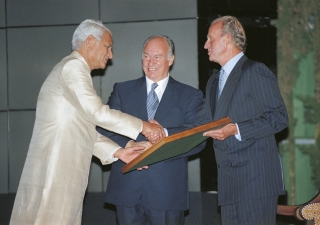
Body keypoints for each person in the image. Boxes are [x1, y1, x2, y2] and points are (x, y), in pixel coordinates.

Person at [9, 19, 165, 225]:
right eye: (108, 47)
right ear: (90, 41)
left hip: (59, 176)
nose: (111, 55)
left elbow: (81, 128)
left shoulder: (71, 70)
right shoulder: (73, 67)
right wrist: (145, 126)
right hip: (55, 176)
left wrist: (119, 151)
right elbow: (97, 113)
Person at [97, 35, 205, 225]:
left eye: (157, 56)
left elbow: (197, 138)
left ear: (170, 59)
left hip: (167, 193)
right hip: (126, 189)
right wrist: (128, 144)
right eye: (146, 56)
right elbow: (103, 127)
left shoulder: (190, 96)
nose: (151, 62)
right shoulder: (123, 90)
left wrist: (164, 133)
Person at [200, 16, 289, 225]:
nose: (206, 45)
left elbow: (279, 117)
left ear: (228, 40)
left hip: (256, 182)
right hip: (228, 184)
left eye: (210, 39)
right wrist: (165, 132)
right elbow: (201, 122)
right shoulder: (213, 82)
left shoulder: (254, 71)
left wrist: (236, 129)